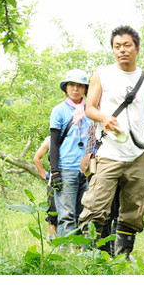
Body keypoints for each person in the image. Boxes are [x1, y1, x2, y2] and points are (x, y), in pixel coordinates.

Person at [78, 26, 144, 258]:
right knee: (95, 205)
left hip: (138, 152)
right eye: (117, 46)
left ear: (137, 48)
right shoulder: (102, 74)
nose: (122, 50)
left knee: (135, 207)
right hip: (108, 151)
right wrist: (104, 118)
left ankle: (123, 256)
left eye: (127, 45)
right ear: (113, 50)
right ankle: (92, 257)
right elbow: (90, 108)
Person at [48, 70, 92, 237]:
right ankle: (66, 251)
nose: (75, 89)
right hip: (66, 169)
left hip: (89, 170)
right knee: (67, 216)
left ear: (85, 89)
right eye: (72, 85)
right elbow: (54, 143)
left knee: (87, 215)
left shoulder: (92, 110)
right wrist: (55, 172)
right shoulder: (59, 111)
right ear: (66, 88)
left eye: (80, 85)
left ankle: (85, 251)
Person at [32, 137, 59, 237]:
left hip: (72, 181)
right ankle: (52, 242)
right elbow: (36, 158)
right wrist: (44, 175)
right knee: (53, 216)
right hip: (54, 183)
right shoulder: (50, 139)